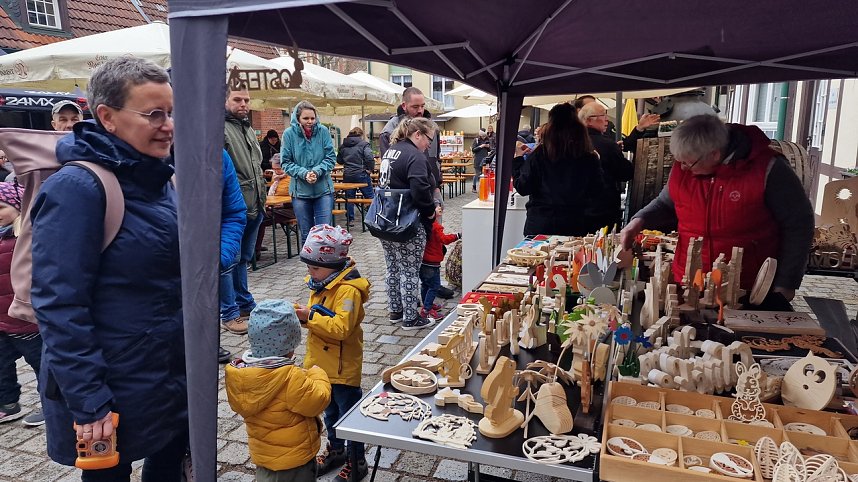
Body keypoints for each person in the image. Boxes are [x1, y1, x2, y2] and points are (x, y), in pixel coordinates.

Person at [30, 56, 187, 481]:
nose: (168, 125)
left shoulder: (162, 182)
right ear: (107, 118)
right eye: (154, 114)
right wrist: (89, 401)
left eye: (172, 112)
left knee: (170, 463)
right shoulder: (78, 188)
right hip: (110, 385)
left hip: (165, 374)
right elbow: (59, 305)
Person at [619, 115, 814, 308]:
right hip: (689, 283)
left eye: (689, 162)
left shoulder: (768, 169)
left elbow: (799, 224)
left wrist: (786, 282)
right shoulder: (685, 165)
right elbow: (665, 203)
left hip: (745, 288)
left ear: (714, 153)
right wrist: (639, 220)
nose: (684, 168)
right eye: (680, 162)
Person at [293, 224, 370, 482]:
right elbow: (321, 316)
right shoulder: (322, 282)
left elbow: (341, 328)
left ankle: (356, 461)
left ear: (333, 263)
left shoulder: (348, 290)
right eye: (308, 267)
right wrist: (305, 315)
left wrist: (309, 317)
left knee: (348, 415)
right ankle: (336, 451)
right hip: (321, 366)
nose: (310, 273)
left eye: (315, 267)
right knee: (330, 413)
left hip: (342, 369)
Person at [225, 299, 331, 482]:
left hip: (265, 459)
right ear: (290, 343)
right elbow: (318, 400)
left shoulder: (242, 375)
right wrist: (317, 374)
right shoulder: (289, 377)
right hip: (294, 462)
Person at [378, 117, 439, 330]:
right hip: (408, 223)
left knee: (393, 267)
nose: (429, 145)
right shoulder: (415, 156)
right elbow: (421, 190)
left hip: (386, 221)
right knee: (409, 270)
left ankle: (396, 310)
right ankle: (411, 317)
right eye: (429, 139)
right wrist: (430, 213)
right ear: (418, 134)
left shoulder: (391, 151)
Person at [513, 102, 607, 236]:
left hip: (541, 225)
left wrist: (517, 160)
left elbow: (523, 187)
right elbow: (598, 192)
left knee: (539, 257)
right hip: (575, 225)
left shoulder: (540, 155)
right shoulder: (589, 158)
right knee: (572, 258)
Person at [223, 84, 267, 335]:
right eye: (237, 99)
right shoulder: (220, 128)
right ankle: (228, 312)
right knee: (228, 260)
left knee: (243, 259)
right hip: (233, 208)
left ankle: (244, 303)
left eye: (247, 100)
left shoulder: (247, 128)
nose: (243, 104)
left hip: (255, 204)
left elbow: (256, 166)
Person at [0, 182, 44, 426]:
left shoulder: (23, 240)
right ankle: (8, 403)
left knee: (42, 368)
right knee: (2, 367)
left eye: (1, 207)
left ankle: (50, 407)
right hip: (1, 322)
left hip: (26, 322)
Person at [281, 101, 336, 245]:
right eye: (306, 118)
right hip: (300, 192)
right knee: (307, 234)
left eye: (312, 118)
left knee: (324, 233)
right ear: (297, 118)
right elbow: (285, 162)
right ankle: (311, 267)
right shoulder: (288, 134)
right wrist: (304, 173)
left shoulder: (323, 131)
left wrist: (317, 172)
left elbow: (331, 157)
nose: (310, 121)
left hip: (323, 189)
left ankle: (325, 266)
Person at [579, 102, 634, 228]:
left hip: (574, 211)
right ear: (589, 120)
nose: (607, 120)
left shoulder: (570, 143)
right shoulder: (607, 145)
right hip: (603, 209)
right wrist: (618, 153)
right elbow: (626, 173)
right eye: (603, 115)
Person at [218, 149, 247, 363]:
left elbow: (233, 211)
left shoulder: (215, 153)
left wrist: (221, 256)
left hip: (209, 256)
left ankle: (210, 342)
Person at [420, 209, 461, 320]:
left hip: (423, 261)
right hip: (432, 263)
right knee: (434, 286)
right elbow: (444, 239)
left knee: (425, 284)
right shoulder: (435, 227)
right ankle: (426, 310)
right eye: (435, 207)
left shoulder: (421, 224)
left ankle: (426, 304)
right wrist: (457, 235)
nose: (439, 208)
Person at [336, 126, 375, 228]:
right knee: (370, 197)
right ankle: (373, 218)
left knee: (349, 198)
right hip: (361, 173)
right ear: (361, 135)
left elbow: (339, 160)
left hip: (348, 174)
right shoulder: (363, 144)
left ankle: (350, 219)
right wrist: (370, 169)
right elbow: (369, 157)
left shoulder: (343, 146)